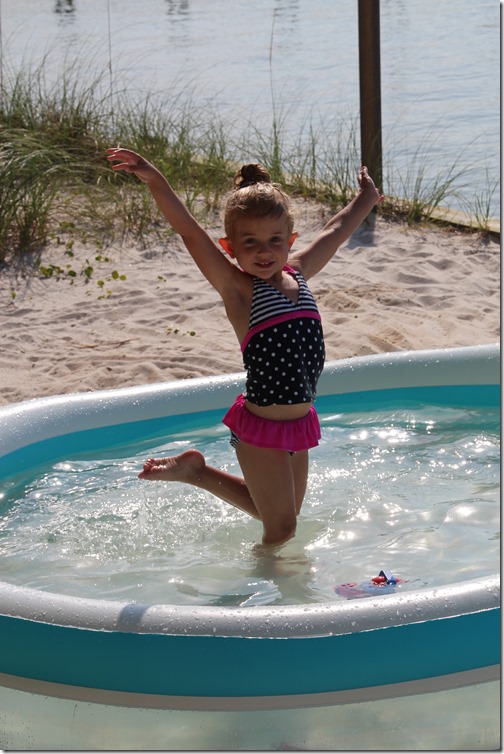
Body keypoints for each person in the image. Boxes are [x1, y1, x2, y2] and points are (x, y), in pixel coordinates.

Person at [107, 147, 383, 546]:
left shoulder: (299, 272)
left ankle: (196, 472)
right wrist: (155, 180)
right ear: (229, 246)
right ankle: (262, 581)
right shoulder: (238, 289)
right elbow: (189, 231)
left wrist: (366, 198)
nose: (264, 251)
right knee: (281, 530)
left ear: (290, 240)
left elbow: (335, 231)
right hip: (262, 427)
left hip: (300, 422)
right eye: (250, 242)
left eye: (274, 240)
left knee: (283, 516)